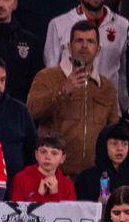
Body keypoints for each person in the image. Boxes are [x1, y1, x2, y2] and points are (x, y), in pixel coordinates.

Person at [28, 20, 120, 178]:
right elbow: (32, 112)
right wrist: (63, 90)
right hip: (54, 175)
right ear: (69, 47)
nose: (84, 46)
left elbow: (114, 132)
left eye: (90, 41)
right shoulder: (47, 77)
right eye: (79, 40)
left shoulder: (107, 88)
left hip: (94, 177)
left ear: (98, 50)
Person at [43, 0, 129, 112]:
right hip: (71, 110)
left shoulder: (123, 25)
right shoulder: (59, 24)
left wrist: (125, 107)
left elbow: (122, 75)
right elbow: (51, 73)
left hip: (108, 111)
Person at [9, 133, 76, 202]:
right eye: (43, 152)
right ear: (36, 155)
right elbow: (17, 208)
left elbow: (69, 209)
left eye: (54, 153)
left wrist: (54, 194)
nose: (47, 157)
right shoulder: (20, 179)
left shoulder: (67, 184)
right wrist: (39, 194)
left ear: (62, 158)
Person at [75, 123, 129, 202]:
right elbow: (81, 207)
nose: (120, 148)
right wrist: (98, 204)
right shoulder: (86, 178)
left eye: (125, 144)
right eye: (114, 143)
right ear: (103, 145)